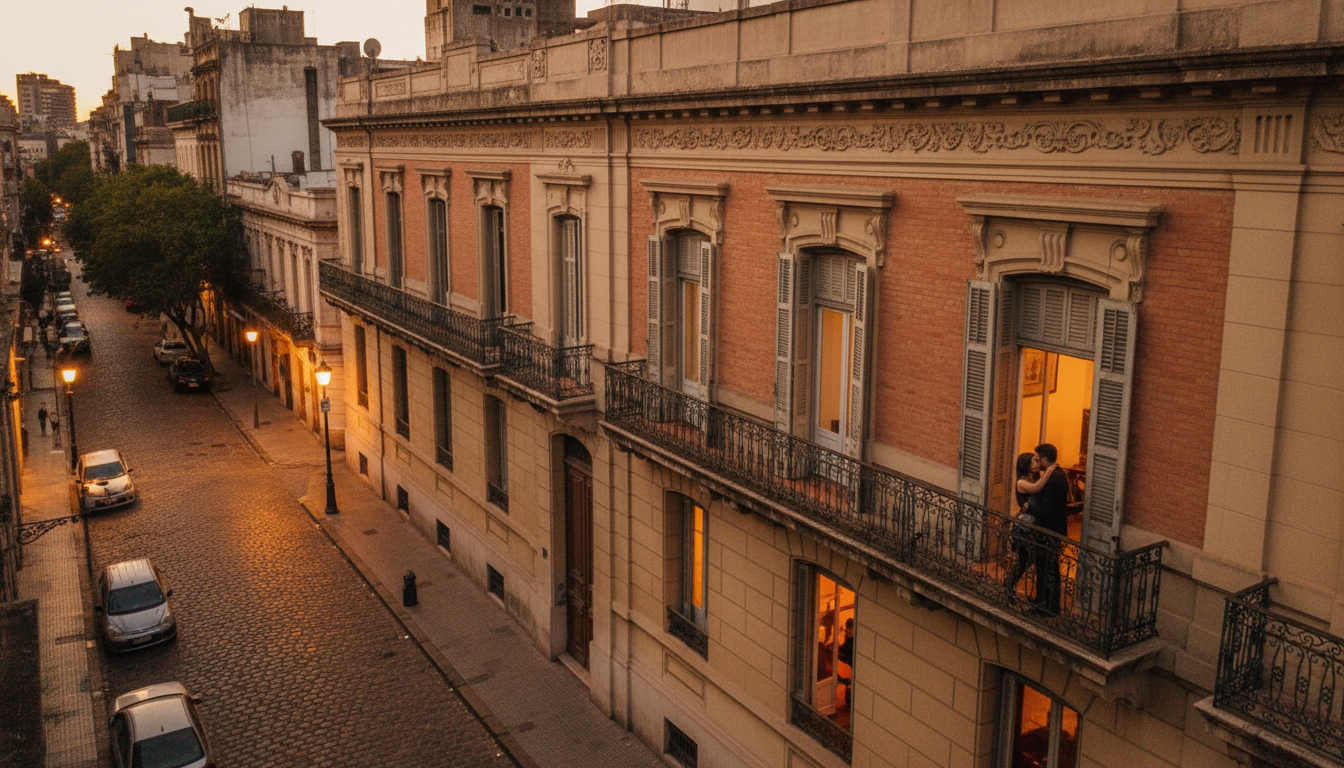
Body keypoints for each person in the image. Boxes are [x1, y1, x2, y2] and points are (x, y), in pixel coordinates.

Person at [1004, 452, 1057, 600]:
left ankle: (1008, 587)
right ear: (1026, 464)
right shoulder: (1021, 482)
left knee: (1027, 559)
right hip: (1023, 527)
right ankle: (1007, 588)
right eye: (1034, 461)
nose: (1038, 463)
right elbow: (1036, 488)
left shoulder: (1036, 476)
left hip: (1032, 525)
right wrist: (1049, 471)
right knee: (1023, 560)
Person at [1032, 443, 1071, 615]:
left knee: (1048, 569)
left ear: (1045, 458)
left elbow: (1048, 509)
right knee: (1043, 567)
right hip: (1049, 528)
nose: (1037, 461)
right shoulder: (1055, 475)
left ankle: (1049, 606)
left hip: (1049, 530)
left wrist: (1029, 507)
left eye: (1039, 457)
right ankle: (1041, 599)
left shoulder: (1055, 479)